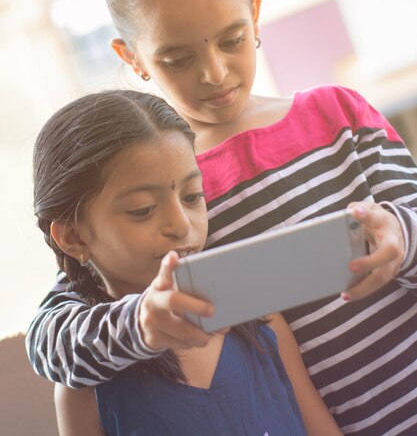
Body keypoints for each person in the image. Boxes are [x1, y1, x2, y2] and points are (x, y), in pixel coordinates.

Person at [26, 0, 417, 435]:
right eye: (177, 58)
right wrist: (144, 320)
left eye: (231, 39)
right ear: (133, 57)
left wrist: (401, 235)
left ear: (255, 15)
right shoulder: (166, 191)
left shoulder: (339, 116)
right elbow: (51, 340)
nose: (213, 73)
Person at [33, 88, 342, 436]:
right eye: (143, 210)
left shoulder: (263, 322)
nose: (181, 225)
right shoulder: (84, 384)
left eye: (193, 196)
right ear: (74, 237)